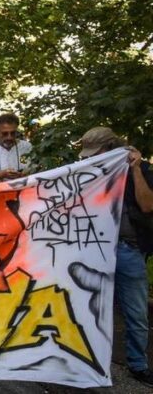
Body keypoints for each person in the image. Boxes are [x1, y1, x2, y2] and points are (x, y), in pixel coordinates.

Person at [76, 127, 153, 385]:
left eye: (96, 154)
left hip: (127, 249)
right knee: (87, 308)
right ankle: (87, 363)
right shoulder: (87, 172)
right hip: (93, 248)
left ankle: (138, 365)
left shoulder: (139, 171)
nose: (90, 159)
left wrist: (135, 169)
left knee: (136, 312)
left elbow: (147, 205)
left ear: (111, 149)